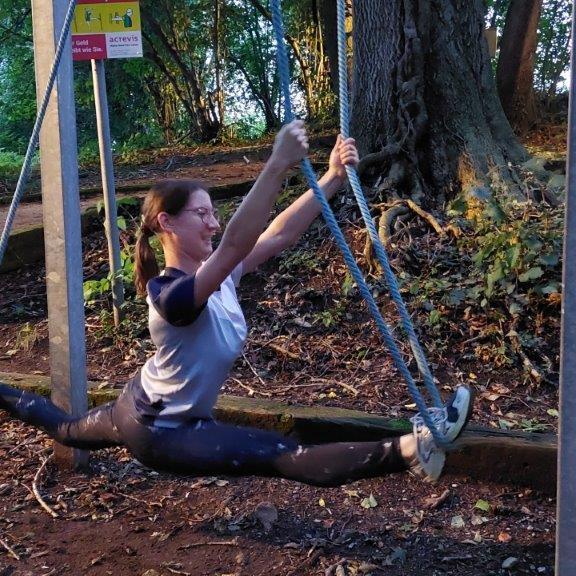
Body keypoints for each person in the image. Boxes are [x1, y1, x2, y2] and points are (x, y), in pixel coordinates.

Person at [0, 121, 473, 486]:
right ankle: (412, 449)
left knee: (66, 429)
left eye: (214, 213)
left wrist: (331, 178)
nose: (212, 223)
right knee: (282, 454)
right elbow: (233, 245)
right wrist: (275, 165)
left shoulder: (220, 274)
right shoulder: (169, 294)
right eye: (201, 214)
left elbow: (277, 235)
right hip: (161, 431)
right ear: (167, 223)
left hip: (137, 402)